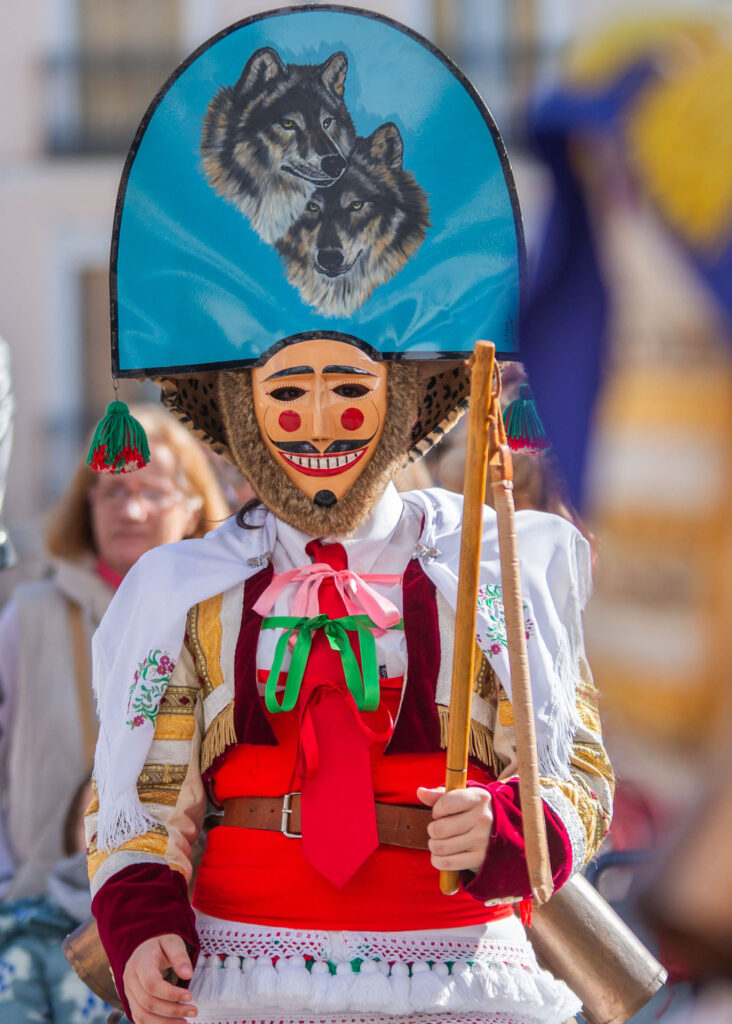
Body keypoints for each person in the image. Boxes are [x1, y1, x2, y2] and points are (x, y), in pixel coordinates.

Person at [85, 10, 613, 1024]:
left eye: (349, 390)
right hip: (243, 978)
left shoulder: (499, 563)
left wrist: (508, 828)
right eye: (288, 395)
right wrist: (143, 926)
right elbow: (142, 794)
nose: (319, 423)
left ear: (405, 402)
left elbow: (578, 766)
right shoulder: (181, 591)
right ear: (240, 414)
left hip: (462, 976)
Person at [0, 406, 229, 900]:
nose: (132, 511)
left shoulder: (225, 619)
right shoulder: (28, 617)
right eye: (114, 492)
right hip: (42, 909)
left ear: (193, 509)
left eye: (153, 492)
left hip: (188, 907)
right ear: (88, 505)